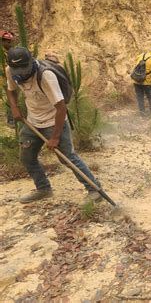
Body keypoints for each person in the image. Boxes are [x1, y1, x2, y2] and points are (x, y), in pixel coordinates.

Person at [5, 47, 103, 204]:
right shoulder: (11, 70)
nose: (21, 73)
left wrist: (55, 137)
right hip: (33, 121)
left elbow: (61, 107)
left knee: (67, 158)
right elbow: (11, 90)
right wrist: (15, 108)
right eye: (18, 69)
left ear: (31, 62)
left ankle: (94, 189)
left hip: (54, 120)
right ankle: (43, 189)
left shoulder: (46, 76)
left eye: (24, 68)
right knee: (27, 157)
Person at [1, 30, 15, 127]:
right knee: (9, 98)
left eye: (10, 41)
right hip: (4, 79)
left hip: (11, 77)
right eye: (7, 41)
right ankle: (10, 120)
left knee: (13, 97)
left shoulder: (10, 52)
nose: (10, 43)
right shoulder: (2, 54)